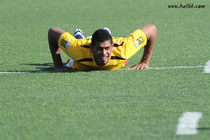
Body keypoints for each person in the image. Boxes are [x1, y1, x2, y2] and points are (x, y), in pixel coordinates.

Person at [48, 24, 157, 71]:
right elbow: (52, 32)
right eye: (99, 49)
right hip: (82, 46)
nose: (104, 53)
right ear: (92, 48)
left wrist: (144, 61)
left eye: (107, 48)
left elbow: (152, 29)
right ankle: (79, 36)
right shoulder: (76, 49)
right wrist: (58, 65)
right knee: (72, 58)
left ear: (112, 46)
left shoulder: (124, 48)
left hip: (112, 48)